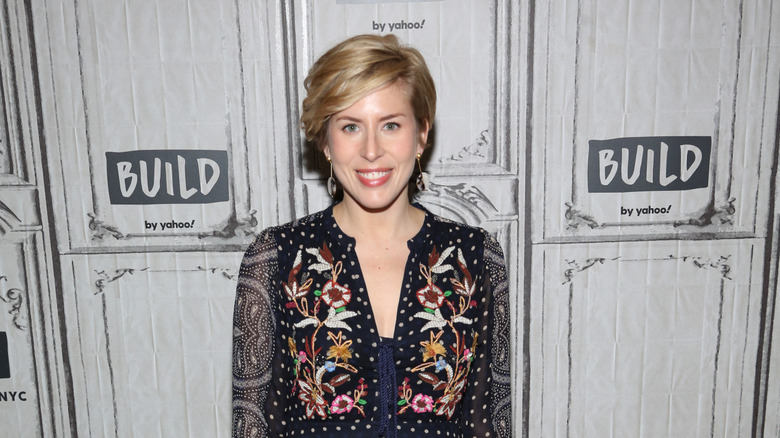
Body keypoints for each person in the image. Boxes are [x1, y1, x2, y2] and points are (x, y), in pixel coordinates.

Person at [232, 34, 511, 438]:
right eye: (350, 127)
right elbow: (254, 423)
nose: (371, 150)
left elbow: (490, 421)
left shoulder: (474, 257)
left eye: (391, 125)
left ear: (421, 134)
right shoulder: (278, 257)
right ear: (326, 141)